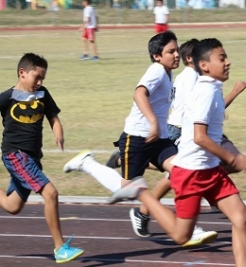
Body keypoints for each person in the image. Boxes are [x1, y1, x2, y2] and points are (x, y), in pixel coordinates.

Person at [107, 38, 246, 267]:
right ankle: (142, 192)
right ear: (205, 65)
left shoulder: (213, 87)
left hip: (210, 170)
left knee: (242, 218)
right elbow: (200, 137)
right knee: (181, 236)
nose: (228, 62)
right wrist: (232, 158)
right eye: (222, 58)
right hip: (192, 173)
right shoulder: (204, 91)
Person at [63, 31, 217, 247]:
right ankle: (86, 163)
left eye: (176, 50)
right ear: (157, 56)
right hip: (137, 138)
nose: (176, 55)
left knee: (183, 173)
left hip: (160, 140)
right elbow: (139, 93)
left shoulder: (166, 72)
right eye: (170, 52)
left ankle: (190, 229)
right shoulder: (155, 71)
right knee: (124, 189)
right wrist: (153, 121)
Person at [0, 53, 84, 264]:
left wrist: (58, 132)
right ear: (22, 73)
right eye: (36, 77)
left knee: (12, 206)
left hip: (32, 158)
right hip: (15, 154)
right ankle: (60, 248)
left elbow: (53, 117)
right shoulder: (7, 97)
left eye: (43, 79)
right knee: (51, 193)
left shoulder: (42, 94)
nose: (39, 82)